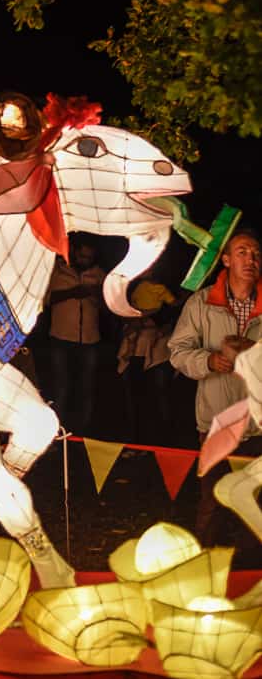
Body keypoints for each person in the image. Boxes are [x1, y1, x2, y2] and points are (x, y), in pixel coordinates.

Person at [168, 227, 262, 545]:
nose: (251, 259)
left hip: (259, 424)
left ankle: (252, 579)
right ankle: (207, 570)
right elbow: (177, 351)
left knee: (257, 506)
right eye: (242, 252)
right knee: (212, 504)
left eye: (256, 253)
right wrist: (208, 362)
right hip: (216, 421)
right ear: (225, 260)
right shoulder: (201, 303)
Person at [46, 235, 105, 435]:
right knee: (61, 386)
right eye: (82, 256)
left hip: (89, 338)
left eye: (89, 257)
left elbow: (107, 305)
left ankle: (83, 433)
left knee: (87, 387)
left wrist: (96, 294)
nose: (85, 260)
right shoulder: (58, 271)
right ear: (74, 253)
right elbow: (46, 299)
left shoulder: (99, 274)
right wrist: (74, 292)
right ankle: (57, 430)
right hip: (61, 337)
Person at [117, 277, 180, 444]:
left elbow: (173, 314)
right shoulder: (132, 287)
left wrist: (153, 316)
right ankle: (137, 441)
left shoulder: (166, 291)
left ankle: (163, 443)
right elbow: (124, 317)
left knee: (159, 396)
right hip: (135, 352)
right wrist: (138, 318)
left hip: (159, 353)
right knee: (135, 399)